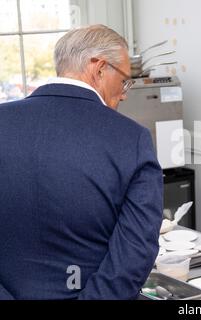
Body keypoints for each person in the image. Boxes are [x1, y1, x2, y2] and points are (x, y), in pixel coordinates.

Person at [0, 25, 163, 299]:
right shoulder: (131, 138)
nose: (124, 93)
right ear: (99, 69)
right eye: (124, 80)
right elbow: (135, 252)